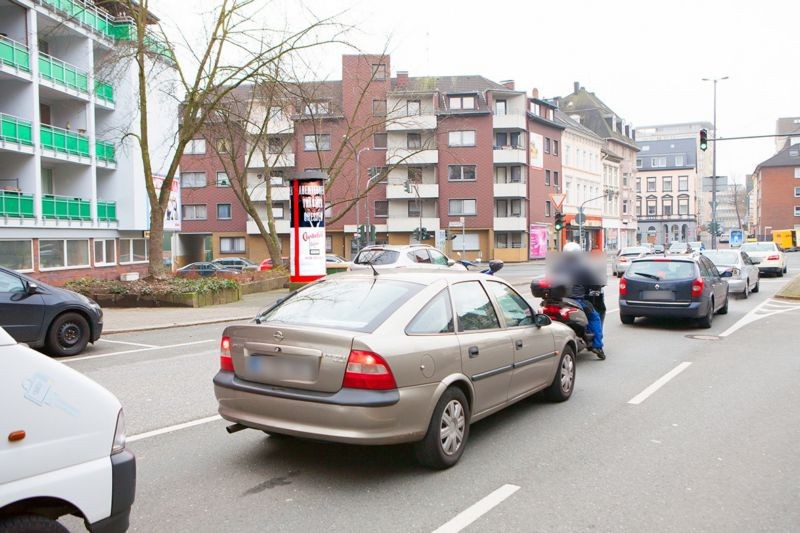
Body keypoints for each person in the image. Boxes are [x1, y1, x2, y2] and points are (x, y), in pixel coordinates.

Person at [554, 241, 606, 359]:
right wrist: (598, 286)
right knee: (594, 317)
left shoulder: (557, 266)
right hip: (576, 300)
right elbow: (594, 282)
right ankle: (597, 346)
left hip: (558, 300)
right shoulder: (582, 267)